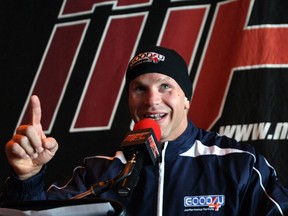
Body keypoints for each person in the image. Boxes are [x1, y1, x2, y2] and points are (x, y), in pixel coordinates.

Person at [1, 46, 288, 216]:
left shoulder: (238, 164)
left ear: (186, 98)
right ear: (129, 100)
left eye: (165, 86)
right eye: (140, 88)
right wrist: (27, 178)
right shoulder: (99, 171)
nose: (152, 100)